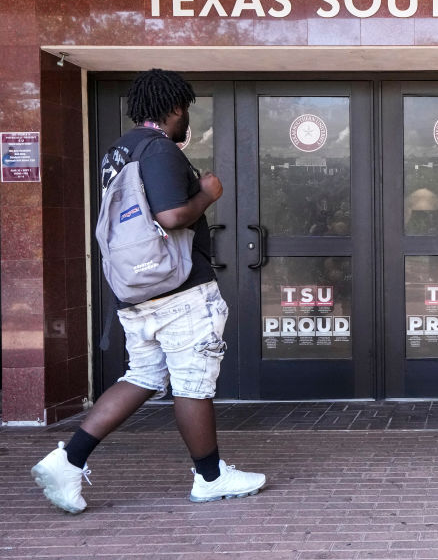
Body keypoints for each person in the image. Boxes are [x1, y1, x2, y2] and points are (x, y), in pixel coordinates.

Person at [31, 69, 265, 513]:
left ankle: (68, 460)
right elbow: (173, 216)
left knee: (142, 376)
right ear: (175, 108)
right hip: (179, 290)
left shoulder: (118, 152)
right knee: (192, 383)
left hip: (136, 291)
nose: (186, 121)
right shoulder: (160, 150)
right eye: (187, 111)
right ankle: (210, 477)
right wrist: (208, 194)